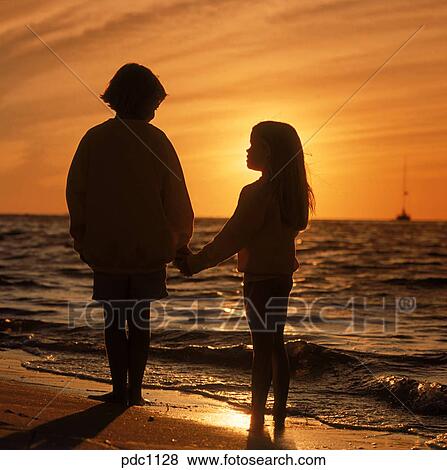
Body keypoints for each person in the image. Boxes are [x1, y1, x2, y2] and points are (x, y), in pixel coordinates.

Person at [66, 63, 194, 406]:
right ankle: (134, 391)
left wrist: (81, 234)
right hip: (148, 249)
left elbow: (76, 191)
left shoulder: (94, 138)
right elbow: (176, 194)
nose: (155, 110)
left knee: (113, 321)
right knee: (140, 322)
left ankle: (119, 390)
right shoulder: (158, 140)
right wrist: (180, 240)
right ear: (141, 100)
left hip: (107, 247)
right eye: (154, 102)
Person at [176, 121, 314, 430]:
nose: (247, 150)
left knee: (261, 348)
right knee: (275, 343)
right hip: (281, 279)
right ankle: (279, 410)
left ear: (268, 151)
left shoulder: (256, 193)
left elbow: (231, 237)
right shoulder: (293, 194)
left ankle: (256, 414)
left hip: (259, 282)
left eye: (253, 145)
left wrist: (196, 262)